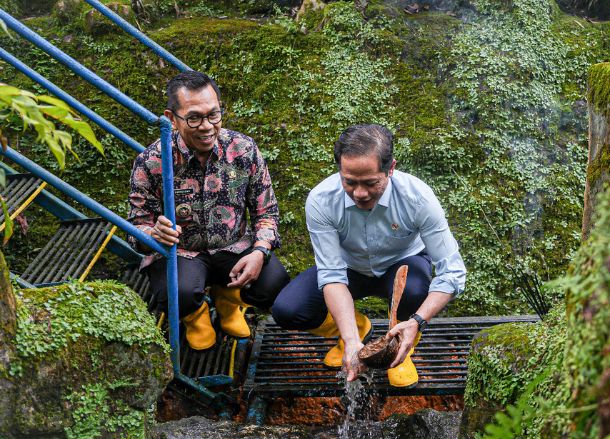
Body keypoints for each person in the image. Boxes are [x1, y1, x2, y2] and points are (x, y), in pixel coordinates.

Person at [272, 123, 466, 388]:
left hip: (402, 265)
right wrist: (351, 338)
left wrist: (417, 322)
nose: (359, 194)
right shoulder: (321, 200)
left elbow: (453, 272)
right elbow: (331, 274)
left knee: (417, 287)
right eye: (349, 182)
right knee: (288, 310)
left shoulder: (418, 198)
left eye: (371, 183)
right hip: (349, 268)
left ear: (391, 168)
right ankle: (357, 330)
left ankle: (400, 344)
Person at [128, 70, 289, 350]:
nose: (206, 126)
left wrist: (260, 252)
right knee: (175, 293)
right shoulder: (152, 161)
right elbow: (136, 226)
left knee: (274, 284)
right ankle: (196, 315)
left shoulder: (243, 150)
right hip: (183, 254)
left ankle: (228, 302)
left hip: (234, 247)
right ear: (171, 119)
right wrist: (153, 234)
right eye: (194, 118)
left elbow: (267, 213)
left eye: (213, 115)